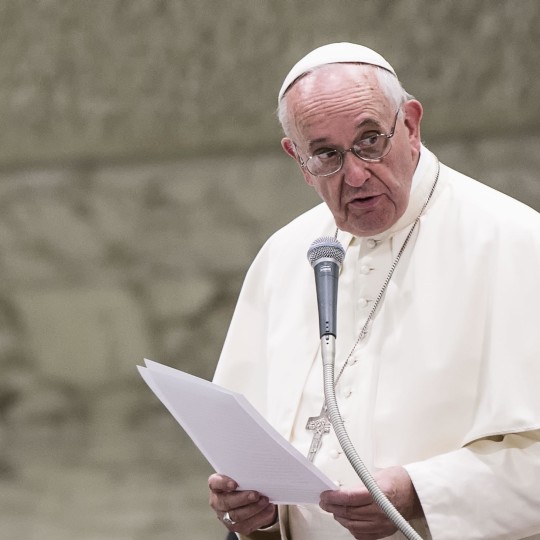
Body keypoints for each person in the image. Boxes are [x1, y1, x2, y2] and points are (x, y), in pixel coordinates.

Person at [207, 42, 540, 539]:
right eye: (326, 154)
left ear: (410, 125)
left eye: (370, 141)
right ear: (297, 158)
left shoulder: (515, 241)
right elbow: (245, 446)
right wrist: (252, 511)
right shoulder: (286, 253)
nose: (356, 175)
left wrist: (422, 493)